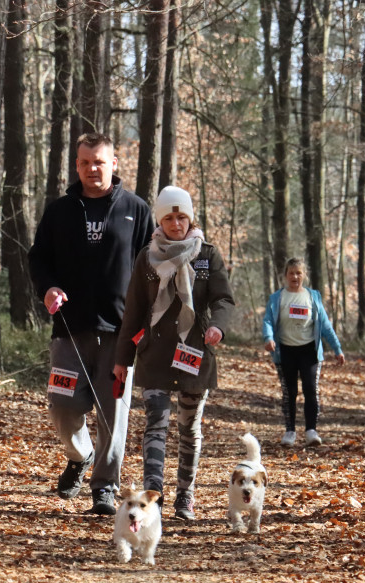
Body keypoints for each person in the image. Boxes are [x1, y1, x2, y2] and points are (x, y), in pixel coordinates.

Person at [28, 133, 155, 515]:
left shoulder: (136, 209)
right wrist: (48, 288)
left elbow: (150, 267)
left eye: (99, 161)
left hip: (121, 334)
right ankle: (80, 455)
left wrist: (146, 322)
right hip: (69, 330)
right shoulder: (59, 211)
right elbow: (38, 259)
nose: (91, 169)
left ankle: (105, 487)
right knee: (62, 406)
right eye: (84, 163)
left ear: (114, 163)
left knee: (113, 413)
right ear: (77, 166)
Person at [113, 186, 235, 520]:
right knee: (156, 424)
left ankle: (185, 496)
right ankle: (155, 497)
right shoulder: (147, 257)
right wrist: (122, 360)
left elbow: (223, 299)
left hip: (195, 353)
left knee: (188, 429)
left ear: (190, 218)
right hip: (155, 355)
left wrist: (218, 327)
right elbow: (134, 311)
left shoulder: (207, 255)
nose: (176, 223)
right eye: (169, 217)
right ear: (160, 220)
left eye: (182, 217)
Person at [261, 258, 345, 447]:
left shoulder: (312, 297)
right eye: (291, 273)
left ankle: (311, 431)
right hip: (286, 351)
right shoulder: (277, 298)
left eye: (299, 273)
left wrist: (337, 349)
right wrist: (268, 338)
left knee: (310, 389)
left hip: (309, 351)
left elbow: (325, 325)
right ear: (285, 275)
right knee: (288, 392)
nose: (295, 276)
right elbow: (267, 321)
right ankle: (290, 431)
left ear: (304, 275)